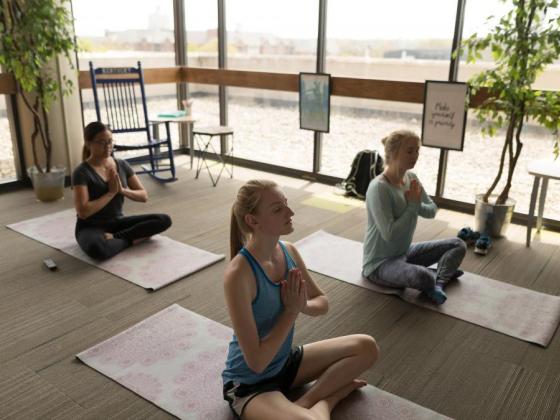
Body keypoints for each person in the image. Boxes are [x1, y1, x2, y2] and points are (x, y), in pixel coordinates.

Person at [223, 180, 379, 420]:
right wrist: (291, 312)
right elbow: (256, 362)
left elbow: (322, 301)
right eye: (278, 209)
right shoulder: (239, 275)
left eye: (286, 204)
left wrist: (302, 305)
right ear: (253, 221)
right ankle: (329, 399)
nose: (290, 212)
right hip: (250, 383)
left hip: (285, 362)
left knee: (367, 347)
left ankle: (306, 401)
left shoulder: (289, 251)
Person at [362, 130, 466, 305]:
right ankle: (437, 277)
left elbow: (432, 210)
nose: (415, 156)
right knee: (423, 276)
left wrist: (415, 204)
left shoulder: (411, 178)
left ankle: (438, 283)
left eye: (417, 151)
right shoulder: (379, 188)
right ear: (393, 153)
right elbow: (389, 234)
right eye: (409, 151)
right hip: (379, 264)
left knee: (458, 245)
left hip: (404, 252)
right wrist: (412, 205)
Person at [72, 121, 172, 260]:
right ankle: (131, 239)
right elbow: (83, 212)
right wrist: (111, 193)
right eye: (102, 142)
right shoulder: (81, 172)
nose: (108, 146)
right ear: (89, 144)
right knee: (98, 250)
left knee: (163, 220)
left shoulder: (122, 164)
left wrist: (122, 191)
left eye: (110, 141)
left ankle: (117, 238)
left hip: (118, 223)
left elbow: (143, 196)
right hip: (91, 227)